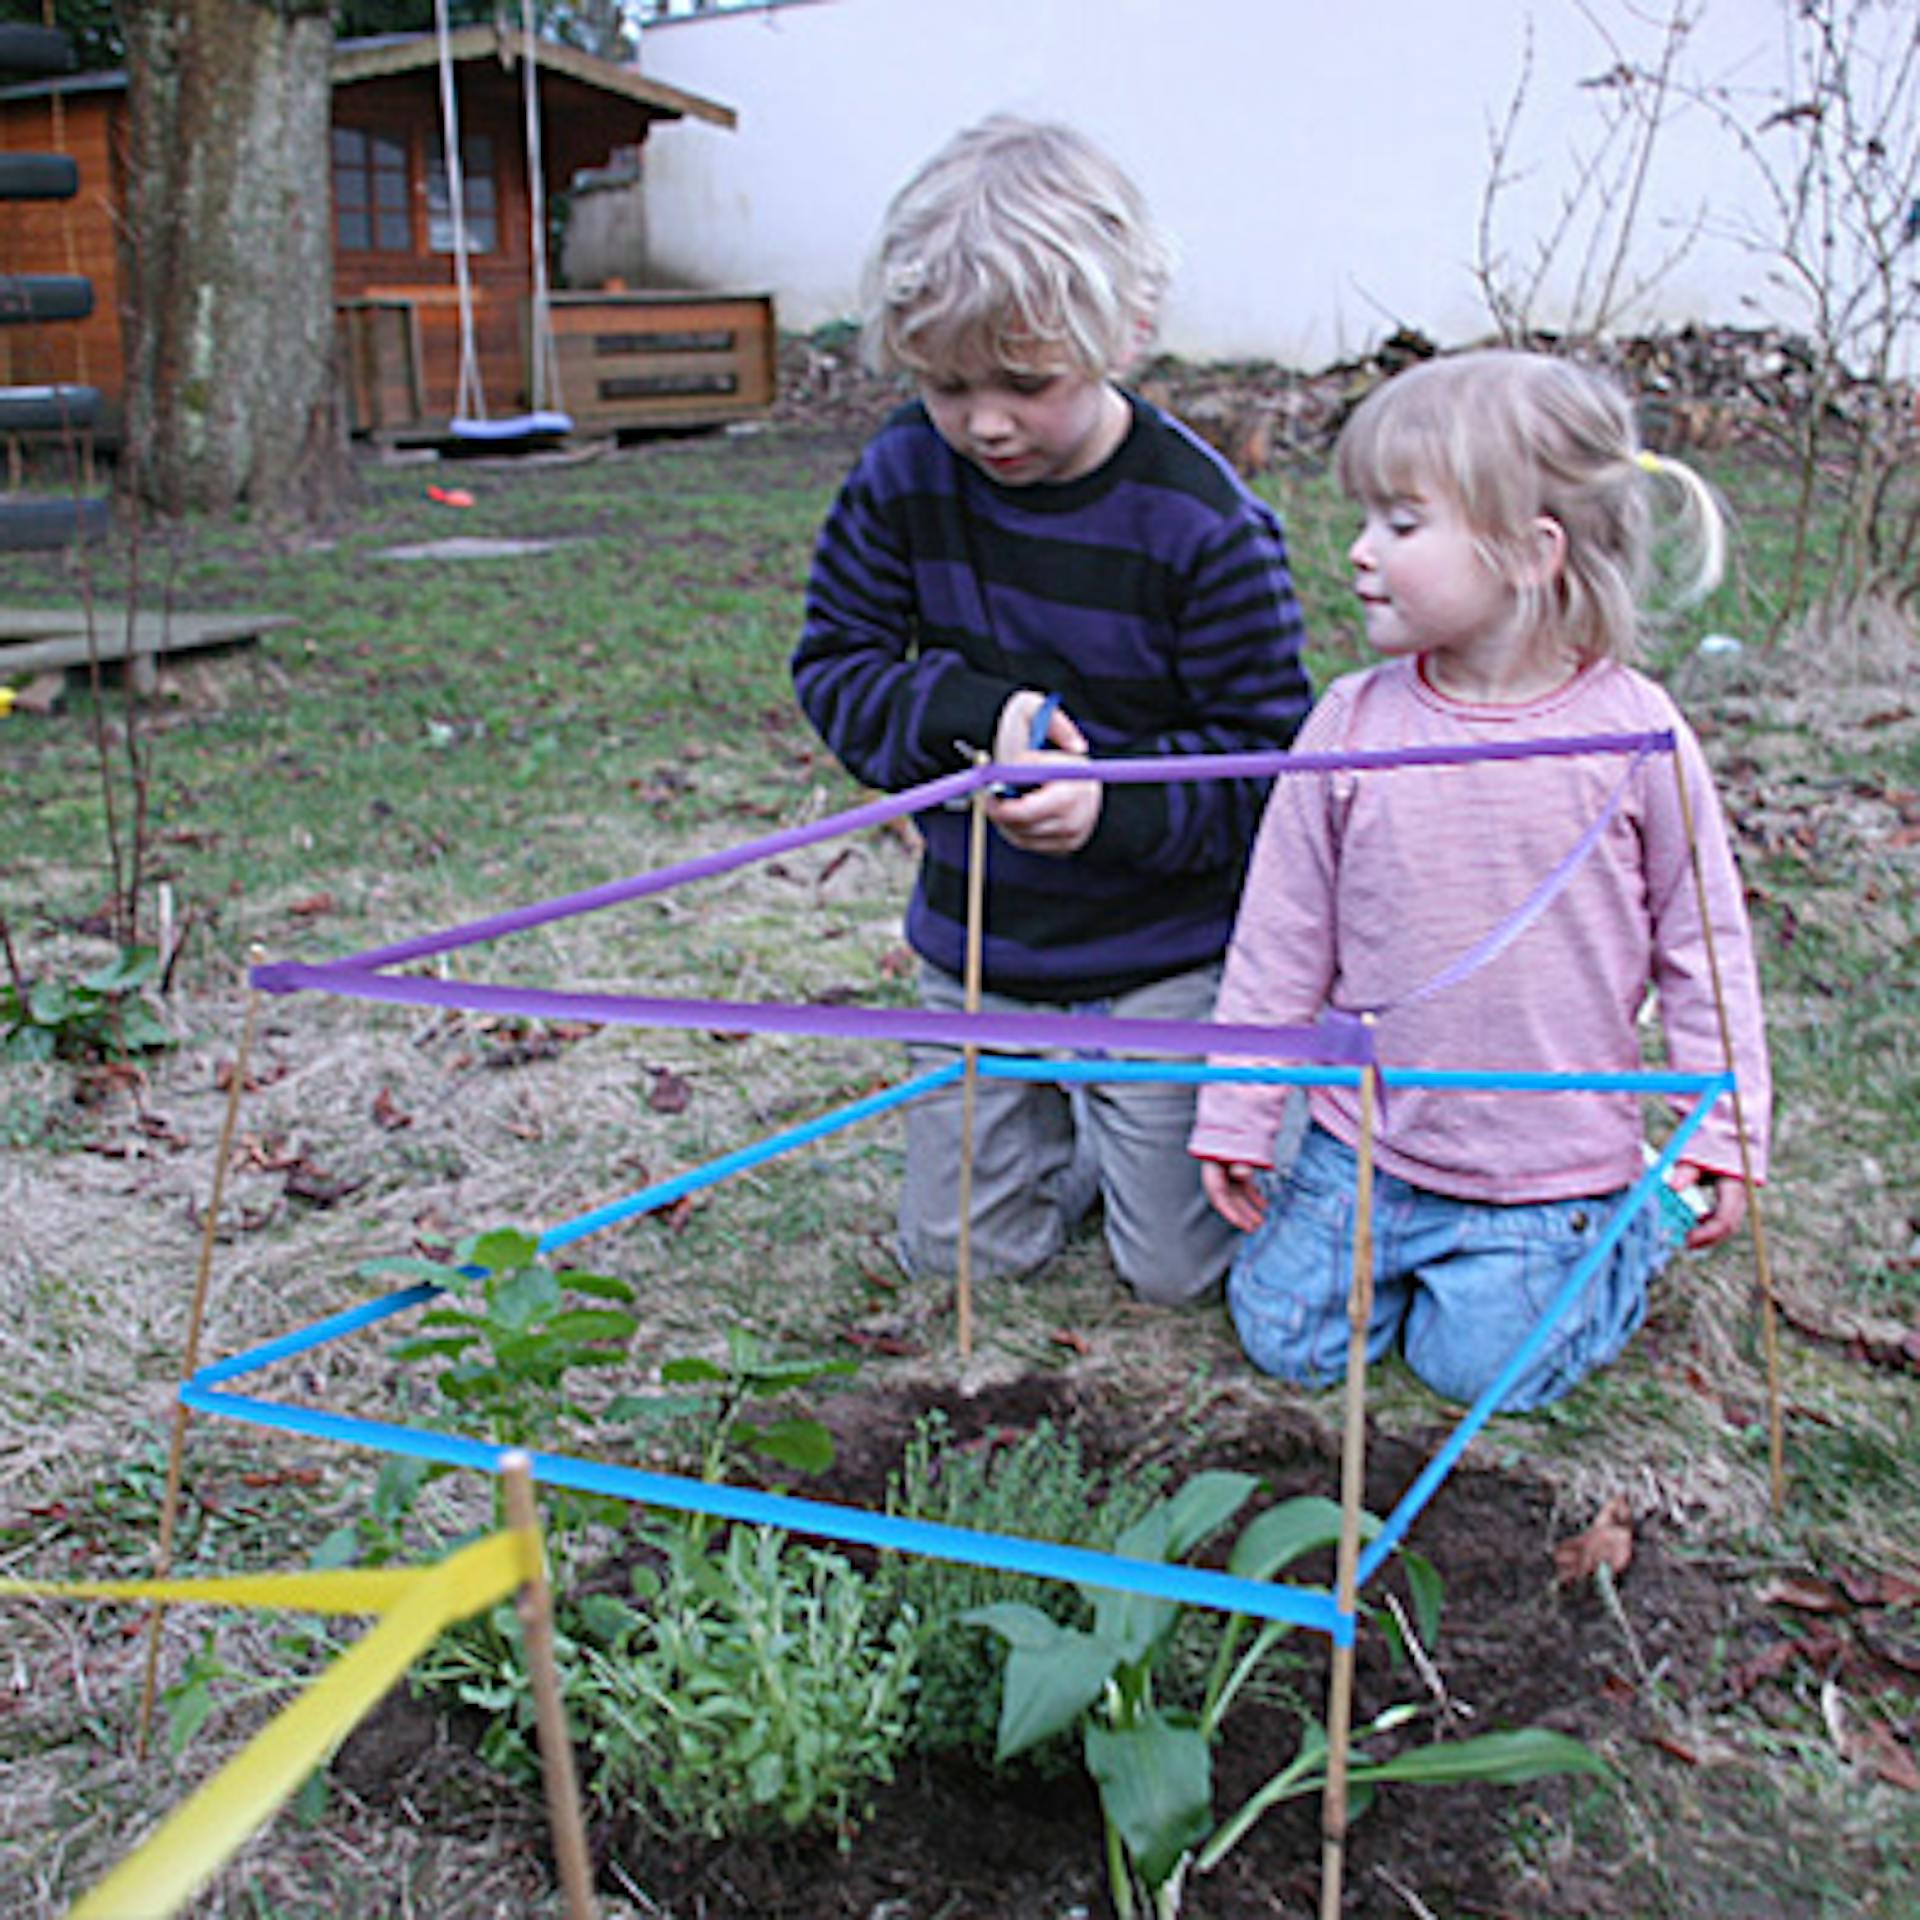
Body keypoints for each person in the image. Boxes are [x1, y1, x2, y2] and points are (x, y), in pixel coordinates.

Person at [1188, 348, 1771, 1409]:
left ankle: (1640, 1224)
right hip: (1361, 1146)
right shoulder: (1350, 725)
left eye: (1401, 524)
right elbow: (1279, 936)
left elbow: (1705, 949)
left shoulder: (1635, 737)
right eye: (1365, 518)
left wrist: (1724, 1130)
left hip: (1546, 1173)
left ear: (1529, 551)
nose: (1359, 552)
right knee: (1287, 1342)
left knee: (1483, 1376)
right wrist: (1238, 1109)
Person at [792, 115, 1312, 1304]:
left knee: (1181, 1273)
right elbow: (836, 665)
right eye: (945, 384)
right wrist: (973, 714)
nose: (984, 422)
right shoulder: (902, 476)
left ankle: (1216, 1118)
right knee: (964, 1265)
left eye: (1027, 384)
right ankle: (1066, 1139)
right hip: (983, 946)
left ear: (1124, 333)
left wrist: (1107, 809)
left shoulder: (1207, 529)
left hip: (1167, 957)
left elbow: (1268, 770)